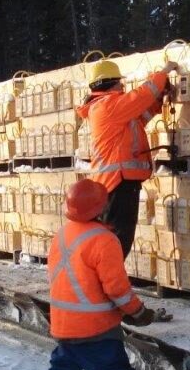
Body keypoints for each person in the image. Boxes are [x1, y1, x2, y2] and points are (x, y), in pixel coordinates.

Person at [39, 178, 161, 370]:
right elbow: (117, 289)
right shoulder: (104, 240)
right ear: (101, 208)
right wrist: (139, 312)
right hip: (95, 328)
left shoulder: (62, 235)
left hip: (63, 325)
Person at [77, 59, 179, 259]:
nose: (122, 85)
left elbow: (140, 117)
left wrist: (159, 102)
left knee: (116, 240)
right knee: (117, 242)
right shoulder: (107, 106)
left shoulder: (109, 108)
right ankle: (109, 285)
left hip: (116, 183)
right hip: (118, 183)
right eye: (118, 82)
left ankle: (108, 283)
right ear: (107, 84)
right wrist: (164, 72)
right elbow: (141, 96)